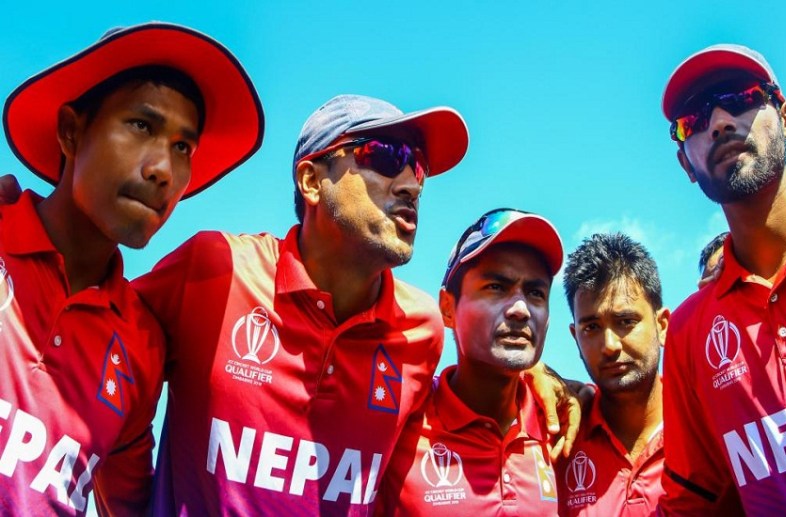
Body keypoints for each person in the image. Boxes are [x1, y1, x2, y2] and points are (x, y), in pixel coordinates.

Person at [133, 94, 470, 514]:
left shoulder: (421, 330)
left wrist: (538, 386)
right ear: (311, 181)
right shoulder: (215, 269)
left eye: (417, 166)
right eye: (385, 155)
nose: (411, 185)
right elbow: (95, 342)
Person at [0, 22, 263, 516]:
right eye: (142, 125)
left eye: (183, 148)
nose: (163, 169)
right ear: (71, 131)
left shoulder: (140, 347)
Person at [660, 44, 786, 513]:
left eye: (740, 98)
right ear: (686, 165)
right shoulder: (688, 333)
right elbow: (692, 504)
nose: (719, 122)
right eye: (693, 121)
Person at [376, 208, 563, 516]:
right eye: (496, 287)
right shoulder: (397, 426)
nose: (521, 309)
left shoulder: (562, 429)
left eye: (536, 293)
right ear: (447, 309)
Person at [558, 233, 669, 516]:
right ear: (575, 337)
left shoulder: (706, 425)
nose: (609, 345)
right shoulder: (559, 439)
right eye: (591, 327)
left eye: (625, 321)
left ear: (662, 325)